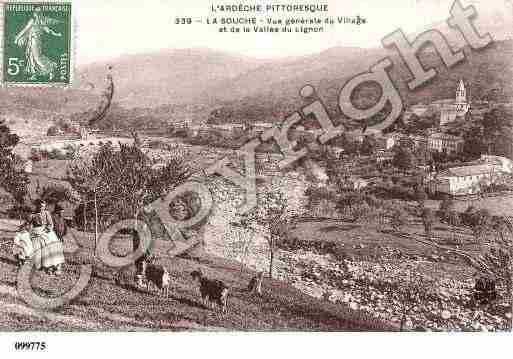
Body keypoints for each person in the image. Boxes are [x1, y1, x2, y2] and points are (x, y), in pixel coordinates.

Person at [27, 199, 65, 275]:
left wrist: (47, 229)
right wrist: (31, 231)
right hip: (36, 232)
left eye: (43, 207)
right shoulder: (32, 215)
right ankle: (44, 265)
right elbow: (29, 225)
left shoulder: (47, 213)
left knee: (53, 245)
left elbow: (51, 224)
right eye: (40, 206)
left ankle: (56, 266)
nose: (42, 208)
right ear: (37, 206)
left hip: (46, 231)